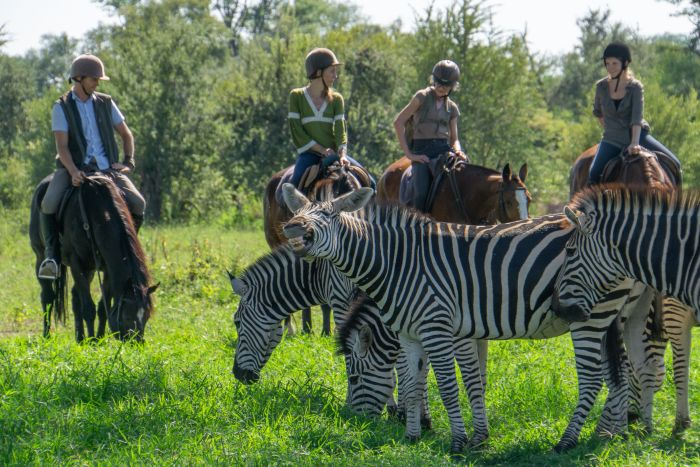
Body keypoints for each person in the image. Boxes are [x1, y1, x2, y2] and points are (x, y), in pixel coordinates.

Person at [37, 54, 146, 280]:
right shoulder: (61, 107)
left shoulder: (106, 103)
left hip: (108, 170)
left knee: (138, 203)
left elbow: (126, 134)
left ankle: (127, 251)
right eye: (94, 79)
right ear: (79, 78)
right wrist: (74, 172)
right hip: (74, 170)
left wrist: (128, 162)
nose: (98, 83)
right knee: (48, 204)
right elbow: (62, 146)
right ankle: (52, 258)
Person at [588, 41, 681, 185]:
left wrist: (634, 143)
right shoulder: (600, 87)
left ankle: (676, 205)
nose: (610, 68)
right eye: (607, 63)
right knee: (593, 172)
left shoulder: (635, 87)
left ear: (625, 63)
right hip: (611, 139)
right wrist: (612, 129)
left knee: (675, 163)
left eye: (614, 63)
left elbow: (636, 118)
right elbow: (598, 113)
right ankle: (587, 207)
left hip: (638, 137)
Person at [287, 47, 373, 193]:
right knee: (292, 188)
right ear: (319, 72)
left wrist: (342, 154)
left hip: (334, 154)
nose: (336, 76)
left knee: (371, 183)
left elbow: (340, 129)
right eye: (332, 71)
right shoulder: (296, 96)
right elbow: (297, 131)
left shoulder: (337, 99)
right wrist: (321, 150)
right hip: (309, 155)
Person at [393, 60, 467, 213]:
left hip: (443, 150)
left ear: (453, 86)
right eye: (438, 83)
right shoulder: (421, 97)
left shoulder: (452, 108)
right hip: (422, 152)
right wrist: (410, 154)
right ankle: (416, 227)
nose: (441, 87)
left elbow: (454, 139)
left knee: (464, 179)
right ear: (434, 80)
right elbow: (398, 122)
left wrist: (458, 151)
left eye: (446, 85)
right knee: (420, 194)